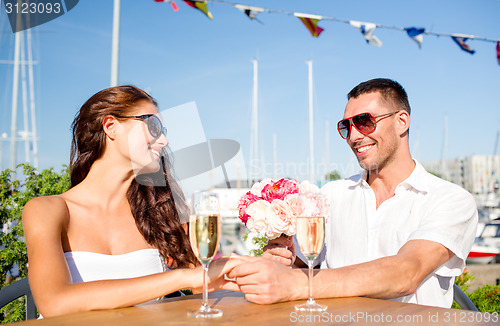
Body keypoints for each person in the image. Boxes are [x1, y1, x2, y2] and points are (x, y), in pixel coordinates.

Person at [224, 78, 478, 308]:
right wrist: (281, 260)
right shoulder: (331, 195)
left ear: (402, 121)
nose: (354, 136)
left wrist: (297, 284)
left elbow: (406, 273)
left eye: (364, 121)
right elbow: (300, 264)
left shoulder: (450, 199)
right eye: (346, 126)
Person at [22, 85, 236, 317]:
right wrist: (179, 277)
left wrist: (269, 257)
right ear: (111, 126)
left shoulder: (158, 211)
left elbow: (204, 282)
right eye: (153, 126)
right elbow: (54, 303)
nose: (163, 141)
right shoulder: (47, 210)